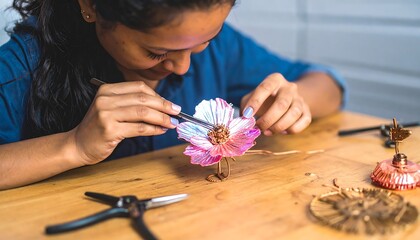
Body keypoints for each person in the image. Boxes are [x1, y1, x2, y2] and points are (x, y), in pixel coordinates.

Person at [0, 0, 345, 190]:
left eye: (203, 42)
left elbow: (329, 86)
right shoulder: (21, 67)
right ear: (90, 6)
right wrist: (73, 145)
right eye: (156, 52)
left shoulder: (220, 48)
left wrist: (294, 99)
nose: (182, 67)